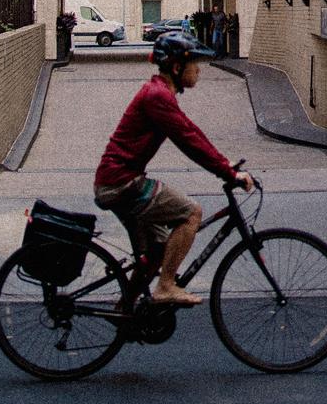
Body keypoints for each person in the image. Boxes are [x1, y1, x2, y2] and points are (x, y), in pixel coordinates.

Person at [94, 33, 254, 307]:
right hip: (121, 183)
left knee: (159, 250)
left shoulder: (159, 93)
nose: (199, 70)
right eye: (194, 64)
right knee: (191, 213)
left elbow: (190, 131)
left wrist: (224, 164)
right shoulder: (157, 96)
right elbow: (188, 141)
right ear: (177, 67)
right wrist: (228, 174)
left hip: (117, 181)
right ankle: (166, 286)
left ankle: (126, 311)